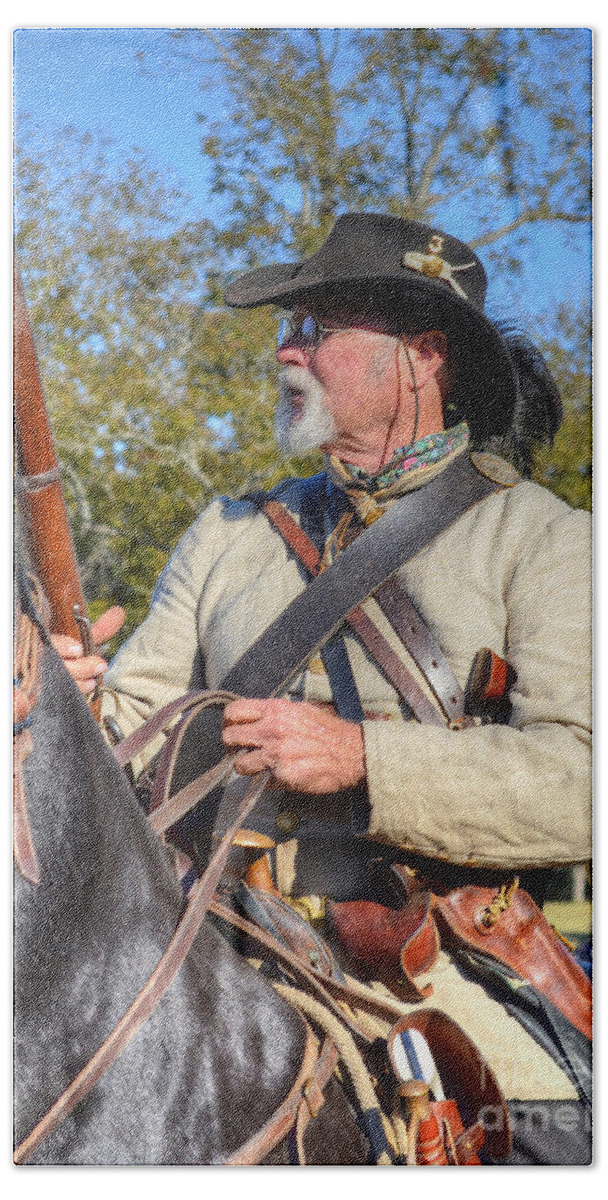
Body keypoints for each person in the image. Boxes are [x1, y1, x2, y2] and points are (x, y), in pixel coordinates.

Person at [53, 213, 591, 1163]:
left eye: (314, 327)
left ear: (421, 357)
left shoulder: (548, 541)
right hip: (203, 934)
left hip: (433, 961)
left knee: (551, 1135)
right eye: (286, 326)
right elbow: (126, 743)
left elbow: (586, 779)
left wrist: (360, 757)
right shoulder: (225, 534)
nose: (284, 349)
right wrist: (53, 707)